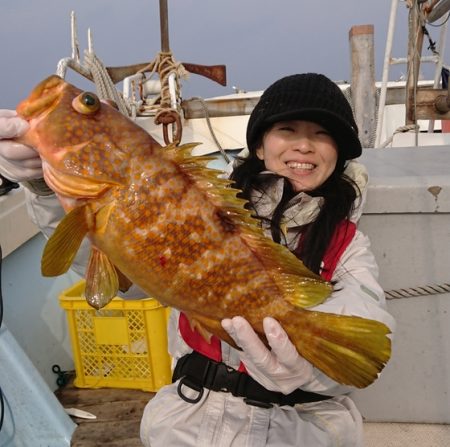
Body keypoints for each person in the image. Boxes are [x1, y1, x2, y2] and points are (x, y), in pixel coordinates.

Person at [0, 73, 395, 446]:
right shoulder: (204, 203)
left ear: (338, 155)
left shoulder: (349, 244)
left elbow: (365, 326)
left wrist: (310, 370)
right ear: (259, 146)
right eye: (287, 131)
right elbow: (126, 279)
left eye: (322, 135)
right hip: (189, 422)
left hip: (301, 431)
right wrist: (42, 187)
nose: (304, 146)